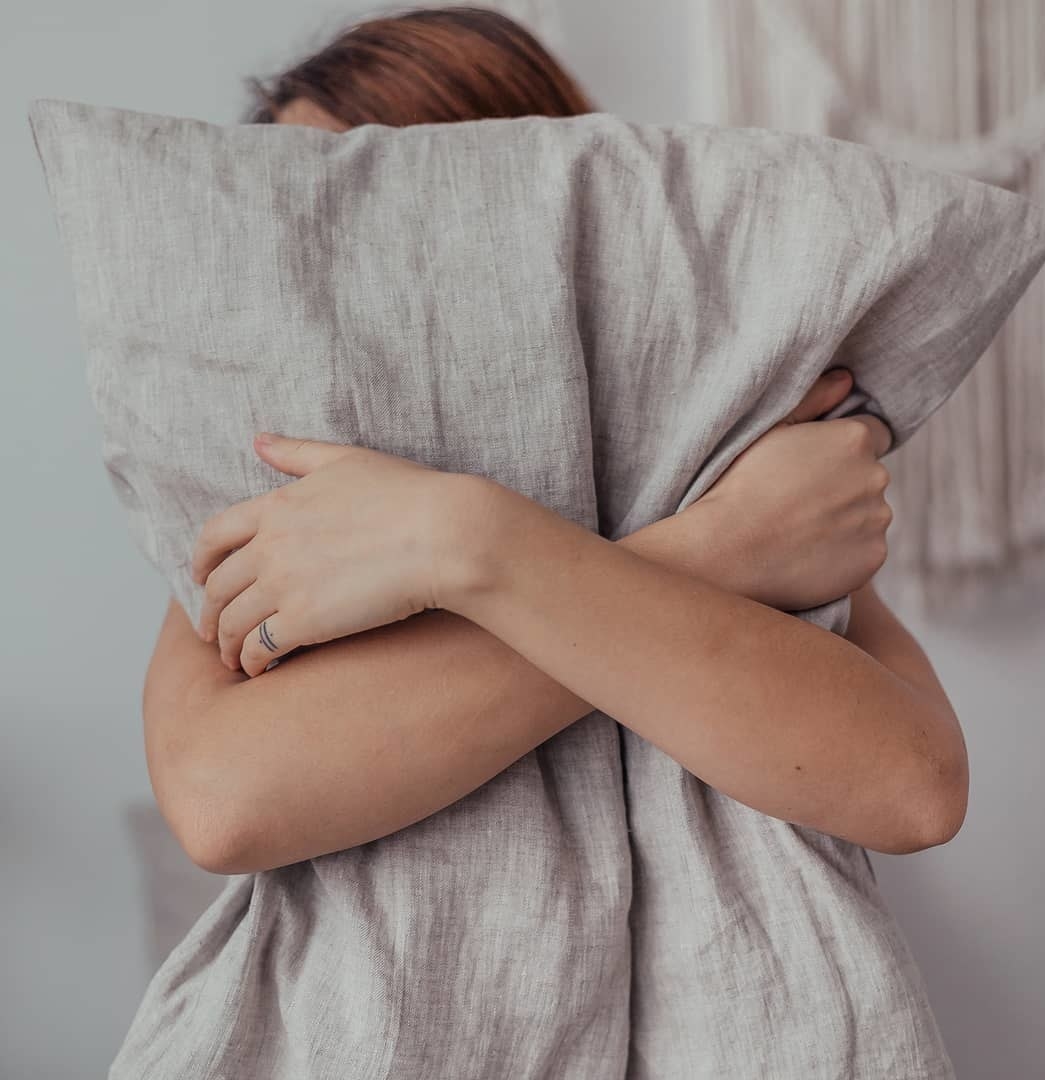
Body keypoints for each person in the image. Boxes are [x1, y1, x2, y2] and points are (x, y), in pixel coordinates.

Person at [139, 0, 966, 1063]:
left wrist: (485, 553)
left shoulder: (723, 443)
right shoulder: (272, 489)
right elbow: (223, 803)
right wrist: (700, 552)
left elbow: (912, 787)